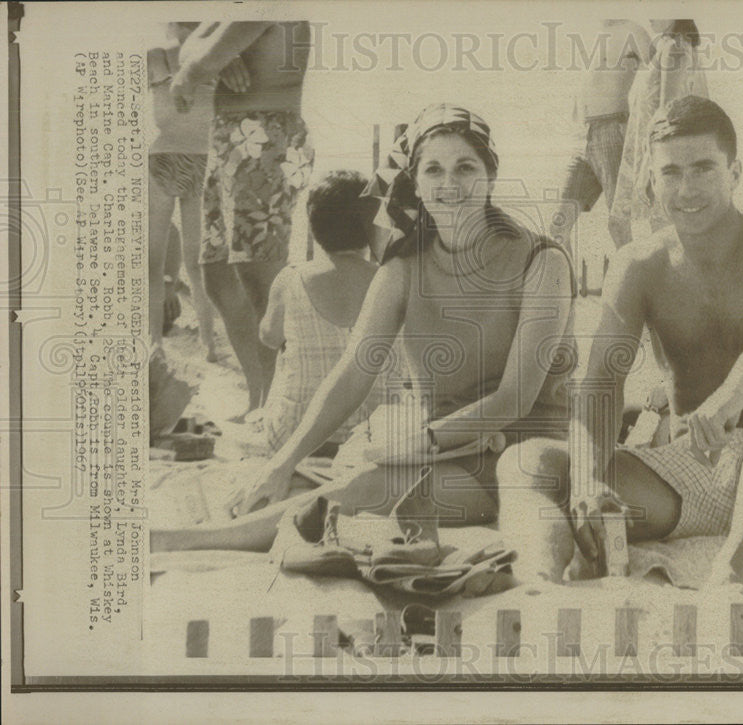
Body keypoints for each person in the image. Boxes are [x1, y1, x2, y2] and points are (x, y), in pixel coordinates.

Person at [150, 104, 577, 553]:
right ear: (416, 182)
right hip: (443, 451)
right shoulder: (404, 266)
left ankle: (191, 542)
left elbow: (514, 399)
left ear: (490, 174)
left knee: (363, 490)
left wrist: (416, 443)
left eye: (465, 167)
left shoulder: (540, 261)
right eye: (434, 170)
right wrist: (281, 461)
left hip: (524, 459)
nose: (449, 184)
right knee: (301, 483)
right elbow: (354, 372)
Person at [497, 97, 743, 588]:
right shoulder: (639, 265)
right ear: (650, 181)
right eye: (671, 172)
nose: (687, 188)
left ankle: (735, 567)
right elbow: (600, 383)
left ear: (735, 172)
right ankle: (539, 582)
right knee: (528, 463)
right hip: (696, 475)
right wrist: (591, 478)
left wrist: (734, 389)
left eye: (704, 168)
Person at [170, 21, 314, 421]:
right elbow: (188, 43)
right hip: (231, 138)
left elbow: (197, 54)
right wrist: (209, 55)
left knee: (259, 278)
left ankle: (283, 401)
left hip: (267, 134)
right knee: (215, 272)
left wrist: (202, 62)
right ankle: (259, 396)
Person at [259, 171, 381, 457]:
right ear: (373, 226)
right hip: (373, 438)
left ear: (313, 227)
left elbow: (268, 337)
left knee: (286, 352)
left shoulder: (291, 278)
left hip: (293, 439)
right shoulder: (391, 280)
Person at [551, 19, 653, 254]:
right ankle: (565, 290)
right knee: (558, 228)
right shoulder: (592, 31)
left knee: (618, 225)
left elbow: (662, 73)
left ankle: (636, 287)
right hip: (583, 138)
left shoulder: (633, 30)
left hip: (612, 130)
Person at [147, 22, 218, 360]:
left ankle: (204, 340)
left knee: (193, 260)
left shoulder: (206, 55)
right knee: (165, 259)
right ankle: (161, 341)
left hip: (187, 156)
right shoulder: (213, 56)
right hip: (178, 155)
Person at [610, 19, 710, 248]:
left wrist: (650, 164)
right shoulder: (669, 46)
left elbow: (669, 112)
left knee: (662, 233)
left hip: (662, 155)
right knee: (633, 228)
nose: (650, 15)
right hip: (654, 153)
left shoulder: (675, 47)